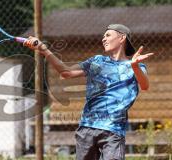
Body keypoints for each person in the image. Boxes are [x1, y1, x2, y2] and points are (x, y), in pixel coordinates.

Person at [24, 24, 154, 160]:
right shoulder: (97, 61)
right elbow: (66, 72)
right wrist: (43, 49)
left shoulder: (135, 66)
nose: (103, 39)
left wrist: (134, 66)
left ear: (122, 38)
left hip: (113, 130)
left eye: (108, 35)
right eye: (103, 36)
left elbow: (144, 85)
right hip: (87, 128)